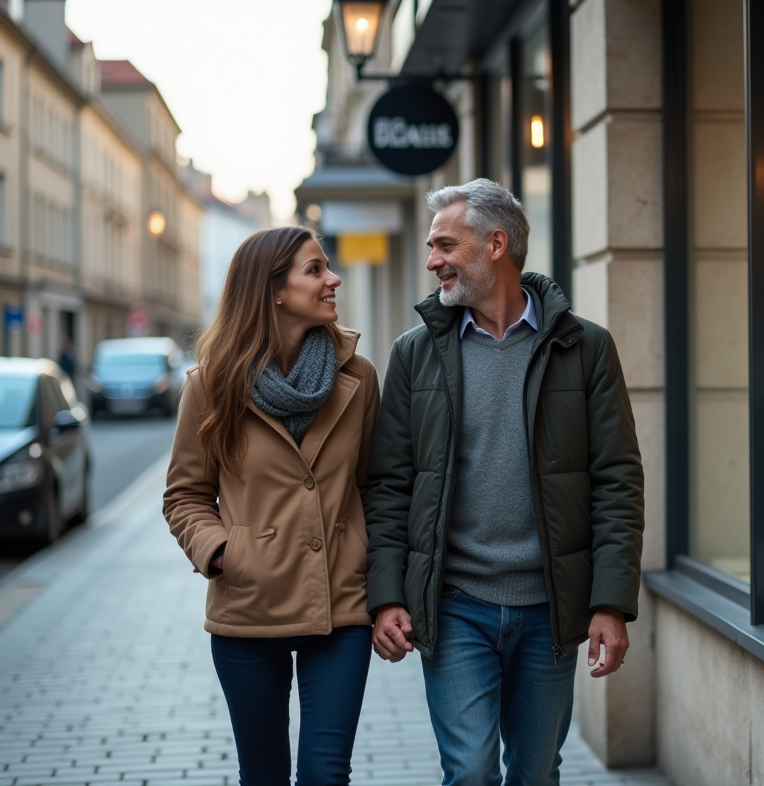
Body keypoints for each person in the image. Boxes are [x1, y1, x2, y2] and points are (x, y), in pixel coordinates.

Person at [365, 178, 645, 786]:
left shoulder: (586, 348)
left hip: (550, 607)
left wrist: (610, 602)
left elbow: (617, 479)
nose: (432, 260)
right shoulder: (415, 354)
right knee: (468, 773)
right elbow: (389, 484)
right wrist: (387, 595)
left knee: (537, 772)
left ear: (496, 244)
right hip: (455, 603)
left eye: (445, 244)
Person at [163, 226, 380, 786]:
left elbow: (375, 486)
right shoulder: (211, 386)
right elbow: (185, 495)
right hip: (247, 609)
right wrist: (222, 554)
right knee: (262, 774)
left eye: (328, 267)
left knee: (325, 773)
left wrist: (378, 573)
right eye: (315, 270)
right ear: (274, 290)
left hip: (340, 606)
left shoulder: (358, 377)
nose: (333, 279)